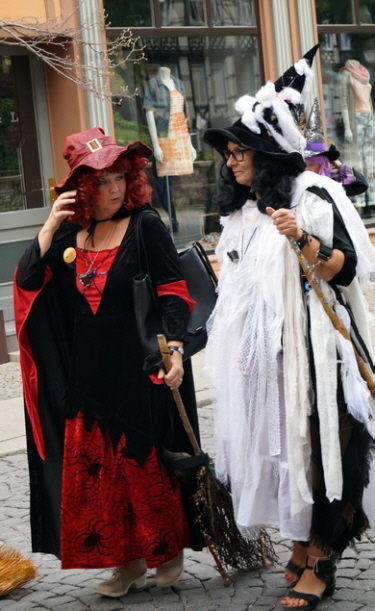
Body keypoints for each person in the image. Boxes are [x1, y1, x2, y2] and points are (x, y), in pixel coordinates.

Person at [204, 47, 375, 610]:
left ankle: (324, 558)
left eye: (240, 152)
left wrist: (302, 239)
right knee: (287, 453)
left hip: (317, 356)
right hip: (269, 363)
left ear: (268, 155)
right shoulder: (243, 212)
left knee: (327, 449)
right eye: (228, 154)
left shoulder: (313, 197)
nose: (231, 162)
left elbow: (346, 269)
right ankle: (300, 544)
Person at [13, 126, 203, 597]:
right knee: (101, 478)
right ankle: (126, 562)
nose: (114, 188)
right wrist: (48, 228)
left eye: (119, 177)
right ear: (82, 188)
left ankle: (167, 547)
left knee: (146, 468)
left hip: (141, 370)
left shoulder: (146, 226)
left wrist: (175, 350)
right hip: (89, 376)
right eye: (101, 181)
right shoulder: (72, 237)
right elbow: (29, 278)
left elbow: (175, 294)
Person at [143, 66, 197, 232]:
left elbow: (182, 114)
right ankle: (172, 217)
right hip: (164, 136)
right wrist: (156, 145)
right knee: (163, 184)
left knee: (175, 181)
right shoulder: (153, 84)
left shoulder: (178, 83)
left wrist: (189, 144)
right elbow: (149, 114)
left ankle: (174, 219)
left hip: (180, 135)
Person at [303, 98, 368, 202]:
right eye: (304, 165)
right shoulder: (299, 185)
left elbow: (361, 185)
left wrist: (335, 161)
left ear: (322, 165)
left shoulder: (334, 184)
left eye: (312, 165)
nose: (307, 169)